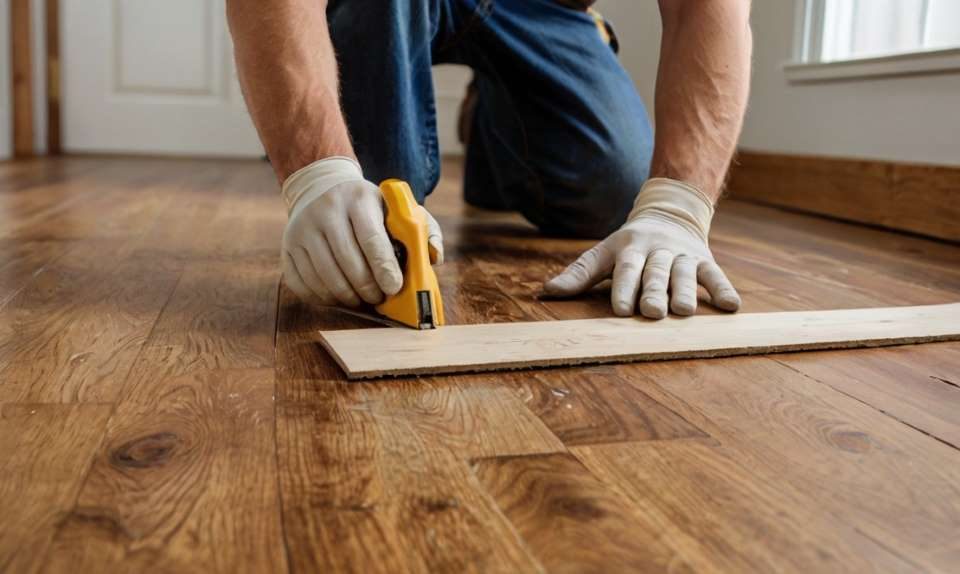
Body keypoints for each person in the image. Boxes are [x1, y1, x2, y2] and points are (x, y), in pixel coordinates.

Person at [227, 0, 751, 319]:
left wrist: (679, 206)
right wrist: (318, 170)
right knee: (377, 207)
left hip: (544, 6)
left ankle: (493, 124)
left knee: (613, 191)